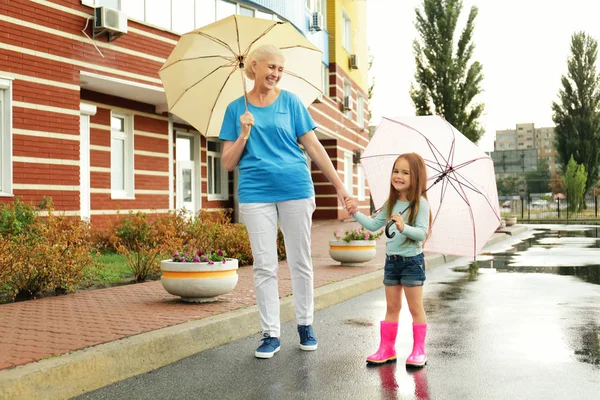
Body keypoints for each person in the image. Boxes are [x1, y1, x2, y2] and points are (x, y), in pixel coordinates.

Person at [219, 44, 354, 359]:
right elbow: (227, 163)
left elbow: (315, 148)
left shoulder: (292, 103)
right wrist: (243, 134)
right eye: (271, 67)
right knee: (264, 265)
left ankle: (305, 324)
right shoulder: (235, 109)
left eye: (280, 69)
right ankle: (270, 334)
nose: (276, 74)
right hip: (256, 193)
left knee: (300, 260)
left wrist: (340, 188)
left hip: (295, 188)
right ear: (254, 66)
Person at [345, 153, 432, 367]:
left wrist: (404, 227)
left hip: (412, 262)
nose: (398, 176)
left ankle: (419, 350)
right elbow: (375, 225)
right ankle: (387, 349)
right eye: (396, 171)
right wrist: (356, 212)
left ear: (416, 177)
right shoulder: (391, 203)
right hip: (392, 262)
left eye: (405, 172)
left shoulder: (420, 204)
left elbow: (422, 233)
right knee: (392, 306)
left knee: (415, 308)